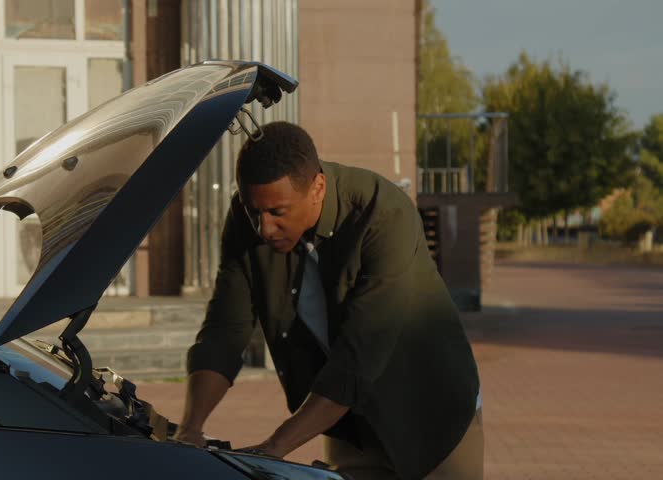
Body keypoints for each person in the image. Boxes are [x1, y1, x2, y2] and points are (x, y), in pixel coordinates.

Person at [174, 121, 482, 480]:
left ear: (317, 188)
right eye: (252, 210)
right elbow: (225, 329)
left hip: (432, 414)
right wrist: (190, 429)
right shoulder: (247, 220)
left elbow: (359, 356)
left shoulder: (384, 214)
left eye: (277, 212)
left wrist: (275, 447)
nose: (263, 228)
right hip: (351, 424)